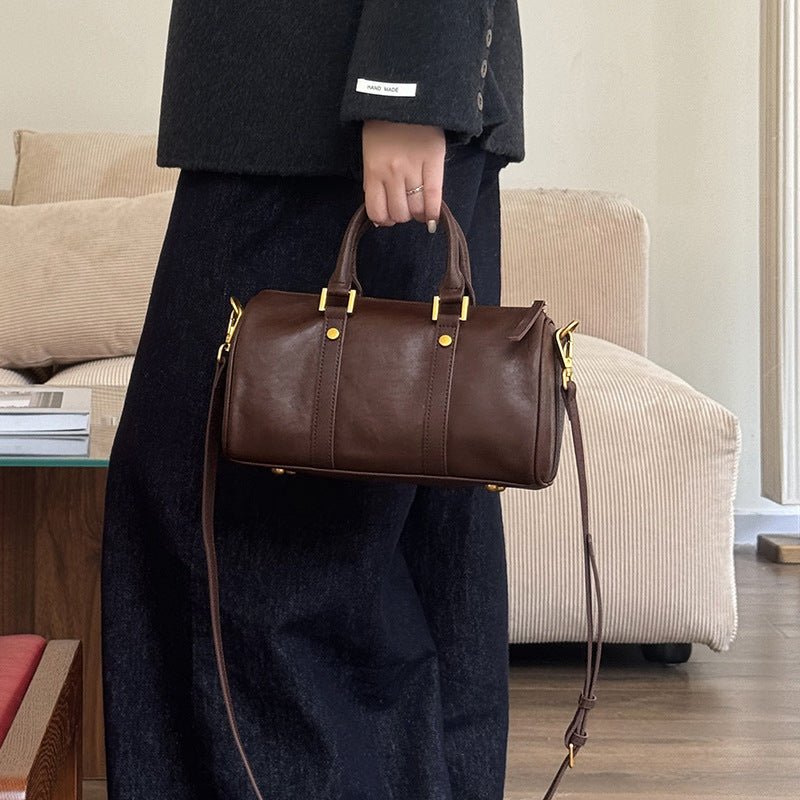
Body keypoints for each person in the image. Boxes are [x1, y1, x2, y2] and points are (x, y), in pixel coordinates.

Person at [100, 2, 525, 798]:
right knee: (377, 526)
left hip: (323, 114)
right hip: (303, 108)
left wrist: (407, 85)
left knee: (256, 531)